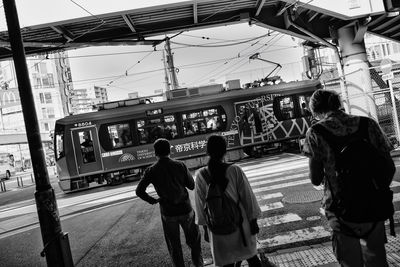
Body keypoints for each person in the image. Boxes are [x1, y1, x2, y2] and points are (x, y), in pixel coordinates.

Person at [303, 89, 395, 267]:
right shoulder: (367, 124)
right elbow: (389, 167)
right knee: (377, 258)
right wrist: (375, 189)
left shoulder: (315, 132)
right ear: (338, 103)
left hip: (340, 210)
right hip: (373, 206)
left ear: (315, 110)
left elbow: (315, 178)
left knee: (350, 262)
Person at [194, 135, 262, 267]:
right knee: (252, 259)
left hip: (217, 228)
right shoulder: (234, 170)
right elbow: (248, 198)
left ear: (207, 152)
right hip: (240, 225)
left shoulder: (201, 175)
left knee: (226, 263)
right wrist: (253, 221)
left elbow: (201, 205)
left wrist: (205, 229)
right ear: (225, 151)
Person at [135, 138, 203, 267]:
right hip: (185, 209)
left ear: (155, 153)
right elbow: (192, 186)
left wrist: (153, 200)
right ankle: (198, 265)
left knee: (174, 245)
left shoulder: (151, 170)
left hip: (168, 213)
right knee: (194, 241)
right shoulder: (180, 165)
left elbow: (139, 191)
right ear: (169, 151)